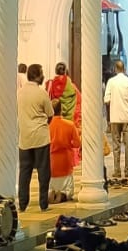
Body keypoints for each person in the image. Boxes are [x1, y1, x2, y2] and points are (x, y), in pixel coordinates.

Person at [17, 63, 54, 212]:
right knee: (43, 171)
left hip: (24, 138)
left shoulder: (19, 93)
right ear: (37, 75)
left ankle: (22, 203)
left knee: (24, 172)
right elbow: (50, 114)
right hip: (40, 137)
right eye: (42, 73)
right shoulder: (42, 93)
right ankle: (43, 203)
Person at [104, 59, 128, 184]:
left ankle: (117, 170)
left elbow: (106, 100)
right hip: (127, 117)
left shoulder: (111, 82)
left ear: (115, 69)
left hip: (115, 117)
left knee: (116, 145)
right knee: (127, 145)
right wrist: (127, 104)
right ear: (124, 69)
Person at [45, 60, 82, 160]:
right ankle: (72, 159)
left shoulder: (50, 84)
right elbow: (79, 102)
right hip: (69, 119)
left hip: (55, 118)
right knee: (69, 140)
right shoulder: (72, 87)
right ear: (65, 71)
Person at [49, 97, 81, 203]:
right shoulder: (69, 124)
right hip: (65, 159)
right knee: (68, 188)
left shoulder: (46, 125)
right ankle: (63, 195)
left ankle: (51, 192)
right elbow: (77, 144)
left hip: (51, 159)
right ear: (61, 109)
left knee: (51, 182)